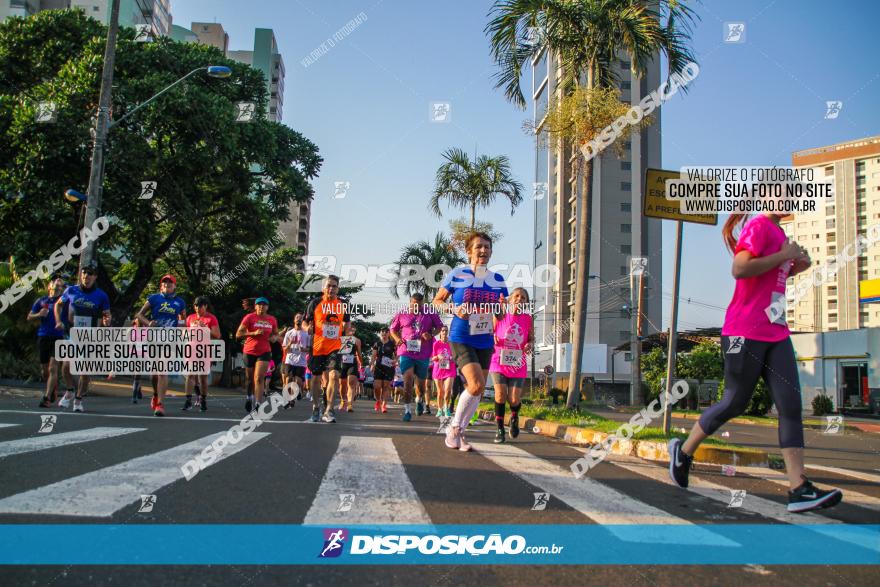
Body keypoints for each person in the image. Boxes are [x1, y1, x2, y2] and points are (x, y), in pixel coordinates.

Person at [668, 212, 843, 513]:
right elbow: (740, 268)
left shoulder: (779, 234)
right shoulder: (759, 225)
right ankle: (683, 452)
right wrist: (784, 255)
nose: (788, 196)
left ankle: (798, 488)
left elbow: (770, 276)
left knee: (790, 404)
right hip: (743, 331)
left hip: (775, 331)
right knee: (735, 401)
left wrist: (795, 264)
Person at [433, 232, 507, 451]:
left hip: (484, 339)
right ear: (469, 252)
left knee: (478, 389)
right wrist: (454, 309)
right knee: (475, 385)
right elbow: (437, 301)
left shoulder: (497, 280)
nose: (483, 251)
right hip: (461, 336)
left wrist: (501, 308)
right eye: (478, 247)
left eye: (487, 247)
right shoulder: (458, 275)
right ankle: (454, 428)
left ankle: (460, 433)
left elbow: (501, 315)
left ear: (491, 251)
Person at [54, 261, 111, 413]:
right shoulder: (71, 290)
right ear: (81, 275)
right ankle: (70, 390)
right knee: (66, 366)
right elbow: (58, 305)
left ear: (95, 277)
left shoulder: (101, 295)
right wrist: (59, 320)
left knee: (84, 371)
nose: (86, 276)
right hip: (72, 333)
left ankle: (78, 400)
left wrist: (107, 320)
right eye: (84, 273)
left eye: (90, 274)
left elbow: (107, 314)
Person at [136, 274, 187, 417]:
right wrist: (148, 323)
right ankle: (155, 394)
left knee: (162, 371)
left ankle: (160, 404)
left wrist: (182, 334)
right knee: (154, 375)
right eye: (165, 283)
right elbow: (139, 315)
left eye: (170, 283)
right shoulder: (154, 298)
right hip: (153, 339)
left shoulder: (180, 302)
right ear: (161, 286)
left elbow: (182, 321)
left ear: (175, 286)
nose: (167, 285)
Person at [488, 288, 533, 443]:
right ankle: (500, 429)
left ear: (526, 302)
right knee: (500, 394)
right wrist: (492, 337)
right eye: (516, 296)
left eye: (523, 297)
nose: (519, 299)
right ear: (510, 299)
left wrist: (529, 345)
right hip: (498, 360)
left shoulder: (528, 318)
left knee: (513, 399)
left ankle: (514, 417)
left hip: (517, 362)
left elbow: (531, 339)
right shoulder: (500, 314)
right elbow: (490, 332)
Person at [390, 293, 443, 422]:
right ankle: (407, 409)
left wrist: (430, 334)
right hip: (405, 351)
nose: (417, 306)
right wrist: (397, 339)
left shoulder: (429, 313)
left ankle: (419, 400)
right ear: (410, 302)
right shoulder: (402, 314)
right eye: (414, 303)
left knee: (421, 385)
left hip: (423, 353)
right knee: (407, 380)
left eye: (419, 304)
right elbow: (392, 329)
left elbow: (440, 326)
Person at [304, 275, 350, 423]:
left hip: (335, 347)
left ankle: (329, 410)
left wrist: (346, 344)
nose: (331, 288)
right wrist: (308, 329)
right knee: (316, 378)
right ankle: (316, 407)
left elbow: (347, 327)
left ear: (338, 288)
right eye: (329, 285)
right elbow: (305, 323)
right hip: (317, 347)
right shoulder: (315, 303)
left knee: (334, 376)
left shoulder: (343, 305)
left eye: (334, 286)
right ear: (324, 287)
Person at [31, 275, 72, 408]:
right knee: (45, 370)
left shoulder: (64, 302)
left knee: (52, 367)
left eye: (61, 285)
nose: (58, 285)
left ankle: (47, 397)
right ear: (49, 286)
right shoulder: (41, 300)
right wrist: (39, 314)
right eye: (56, 282)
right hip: (44, 336)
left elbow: (73, 311)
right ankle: (53, 388)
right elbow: (29, 316)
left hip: (59, 337)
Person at [235, 297, 278, 413]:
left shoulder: (272, 319)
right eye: (259, 305)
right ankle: (249, 397)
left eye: (264, 305)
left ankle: (258, 404)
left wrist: (274, 338)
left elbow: (275, 334)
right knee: (249, 379)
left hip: (264, 351)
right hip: (249, 351)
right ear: (255, 306)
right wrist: (253, 333)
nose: (261, 307)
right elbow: (238, 334)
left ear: (267, 307)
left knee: (259, 378)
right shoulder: (249, 317)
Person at [183, 296, 221, 412]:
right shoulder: (190, 318)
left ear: (205, 306)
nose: (197, 308)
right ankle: (188, 401)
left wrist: (206, 329)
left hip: (204, 350)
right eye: (195, 306)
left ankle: (203, 401)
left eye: (200, 306)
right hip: (191, 349)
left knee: (202, 377)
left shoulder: (211, 318)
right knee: (190, 375)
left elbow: (217, 335)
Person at [282, 314, 310, 408]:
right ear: (294, 320)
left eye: (300, 318)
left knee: (298, 382)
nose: (298, 319)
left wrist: (304, 350)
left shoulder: (306, 334)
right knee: (288, 380)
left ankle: (293, 397)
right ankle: (288, 398)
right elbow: (285, 349)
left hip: (301, 361)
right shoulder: (289, 333)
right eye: (297, 317)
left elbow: (310, 349)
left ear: (302, 321)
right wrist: (290, 343)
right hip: (290, 360)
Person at [429, 325, 457, 418]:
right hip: (438, 370)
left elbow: (456, 356)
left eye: (446, 330)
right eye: (442, 330)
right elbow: (433, 358)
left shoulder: (452, 344)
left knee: (448, 390)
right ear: (440, 333)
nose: (444, 332)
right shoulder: (436, 344)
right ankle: (440, 409)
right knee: (440, 391)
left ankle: (446, 408)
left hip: (450, 369)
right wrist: (438, 357)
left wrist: (452, 358)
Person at [338, 322, 363, 412]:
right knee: (342, 385)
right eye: (350, 327)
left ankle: (349, 404)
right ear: (346, 328)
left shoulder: (357, 340)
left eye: (354, 328)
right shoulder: (340, 338)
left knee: (352, 382)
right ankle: (343, 400)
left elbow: (359, 353)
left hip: (352, 362)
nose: (352, 329)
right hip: (342, 363)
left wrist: (361, 362)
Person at [371, 327, 396, 413]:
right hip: (378, 366)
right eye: (382, 332)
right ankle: (378, 400)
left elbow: (397, 355)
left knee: (386, 386)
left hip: (389, 367)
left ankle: (384, 404)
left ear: (389, 333)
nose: (384, 333)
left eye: (386, 332)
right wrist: (372, 364)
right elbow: (373, 355)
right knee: (377, 386)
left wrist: (395, 361)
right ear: (380, 333)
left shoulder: (392, 343)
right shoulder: (377, 343)